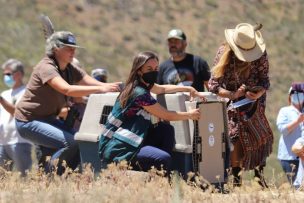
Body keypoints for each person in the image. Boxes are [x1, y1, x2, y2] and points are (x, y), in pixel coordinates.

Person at [14, 31, 121, 174]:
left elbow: (91, 82)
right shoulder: (46, 67)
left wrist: (115, 87)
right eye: (68, 48)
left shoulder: (70, 68)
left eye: (74, 48)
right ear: (56, 48)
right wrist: (102, 87)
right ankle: (50, 178)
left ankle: (62, 176)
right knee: (70, 143)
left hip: (48, 119)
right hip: (28, 120)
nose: (73, 51)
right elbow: (67, 89)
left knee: (80, 142)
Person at [98, 51, 205, 173]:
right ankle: (158, 175)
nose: (154, 72)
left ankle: (159, 173)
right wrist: (190, 115)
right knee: (163, 158)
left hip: (128, 141)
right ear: (139, 70)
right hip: (117, 147)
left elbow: (162, 88)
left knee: (166, 130)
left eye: (156, 68)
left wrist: (189, 88)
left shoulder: (142, 85)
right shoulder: (139, 93)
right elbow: (166, 114)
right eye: (149, 69)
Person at [208, 23, 273, 187]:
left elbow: (264, 80)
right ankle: (236, 180)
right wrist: (232, 95)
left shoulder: (260, 54)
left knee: (259, 137)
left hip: (254, 103)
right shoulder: (224, 54)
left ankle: (259, 177)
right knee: (235, 138)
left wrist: (258, 93)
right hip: (231, 104)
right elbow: (214, 85)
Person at [0, 59, 33, 176]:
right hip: (2, 142)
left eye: (8, 74)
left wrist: (1, 100)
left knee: (24, 176)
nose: (5, 77)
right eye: (4, 74)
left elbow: (16, 112)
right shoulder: (5, 94)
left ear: (18, 74)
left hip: (20, 141)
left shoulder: (27, 93)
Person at [276, 82, 304, 184]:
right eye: (295, 93)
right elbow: (283, 130)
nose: (298, 95)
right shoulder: (284, 111)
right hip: (289, 157)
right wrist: (297, 121)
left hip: (303, 155)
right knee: (296, 186)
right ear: (290, 96)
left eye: (301, 93)